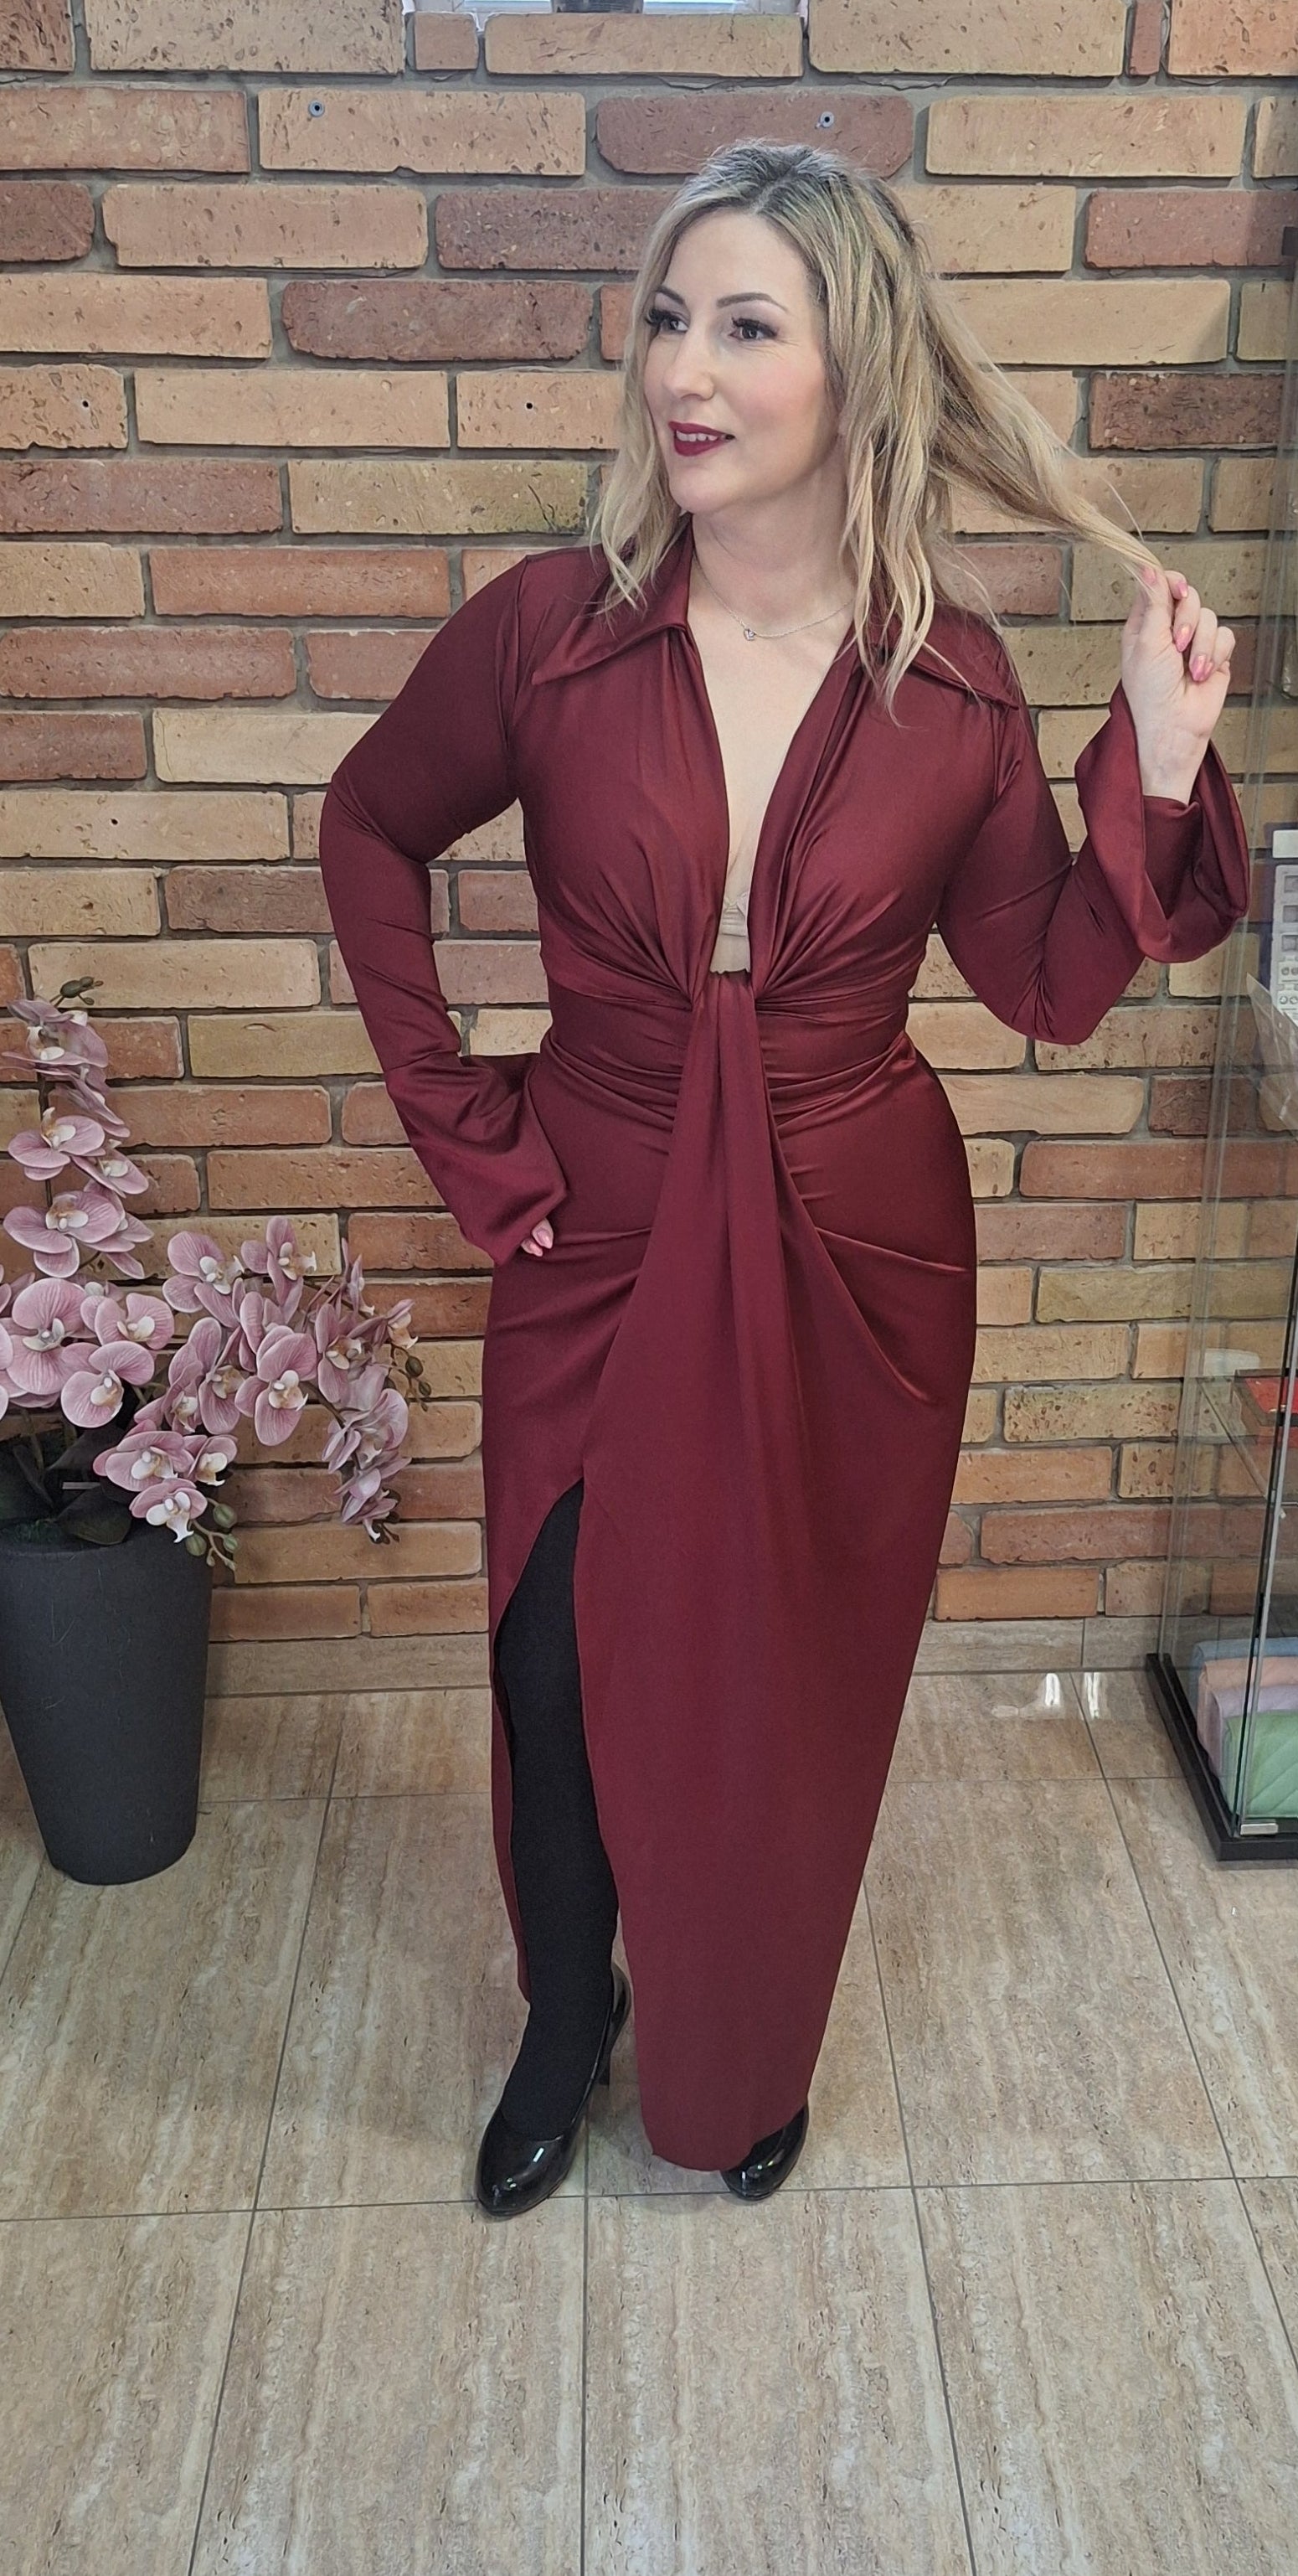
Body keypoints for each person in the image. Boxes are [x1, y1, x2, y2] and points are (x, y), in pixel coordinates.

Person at [317, 142, 1250, 2221]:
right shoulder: (549, 632)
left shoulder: (954, 683)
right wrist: (461, 1121)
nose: (684, 370)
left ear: (859, 371)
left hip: (854, 1240)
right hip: (602, 1202)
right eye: (667, 317)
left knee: (784, 1676)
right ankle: (565, 2015)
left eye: (746, 326)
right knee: (554, 1651)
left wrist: (1162, 758)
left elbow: (1043, 984)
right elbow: (367, 825)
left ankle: (741, 2045)